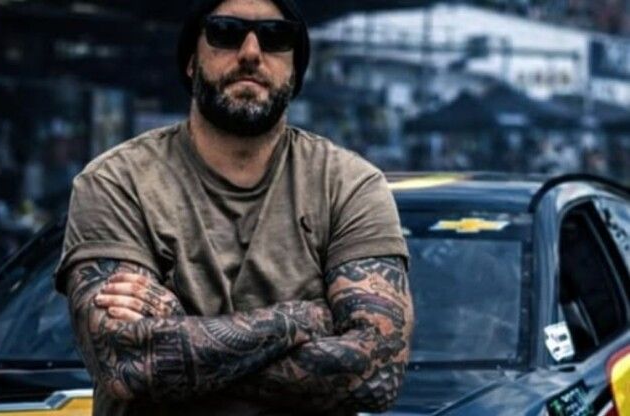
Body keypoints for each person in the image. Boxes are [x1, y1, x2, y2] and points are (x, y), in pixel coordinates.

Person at [54, 0, 413, 415]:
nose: (251, 52)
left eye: (276, 37)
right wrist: (298, 320)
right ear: (191, 61)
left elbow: (376, 374)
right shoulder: (117, 182)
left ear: (295, 69)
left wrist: (180, 341)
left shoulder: (350, 186)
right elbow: (124, 364)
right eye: (225, 32)